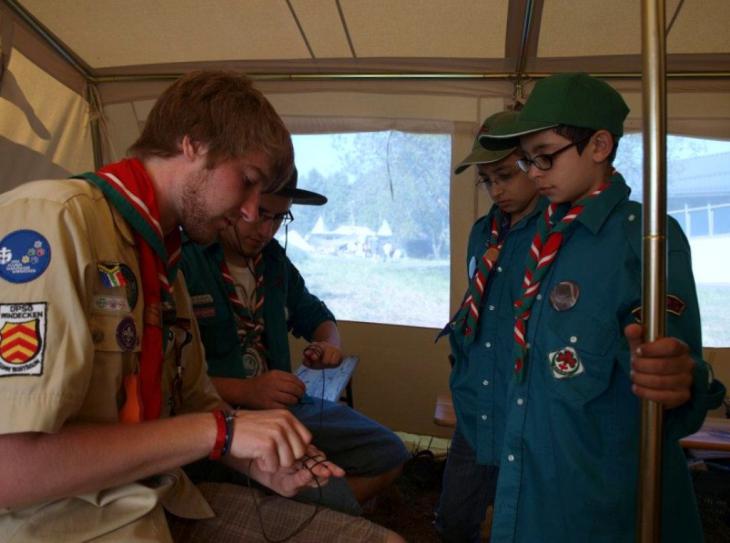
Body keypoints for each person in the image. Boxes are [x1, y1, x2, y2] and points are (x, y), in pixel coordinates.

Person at [0, 70, 402, 542]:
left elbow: (194, 402)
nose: (253, 213)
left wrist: (261, 464)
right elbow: (10, 468)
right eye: (247, 181)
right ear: (192, 145)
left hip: (164, 498)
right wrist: (220, 434)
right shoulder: (54, 222)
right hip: (73, 525)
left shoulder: (162, 258)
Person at [478, 72, 725, 542]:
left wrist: (681, 379)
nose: (533, 173)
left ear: (599, 145)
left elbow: (676, 366)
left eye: (545, 157)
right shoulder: (532, 239)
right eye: (528, 160)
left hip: (600, 502)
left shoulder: (646, 239)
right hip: (531, 485)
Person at [180, 168, 410, 515]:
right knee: (320, 494)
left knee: (391, 451)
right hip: (219, 418)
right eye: (260, 215)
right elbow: (173, 380)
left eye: (279, 217)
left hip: (285, 407)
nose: (268, 230)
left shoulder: (273, 260)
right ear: (232, 205)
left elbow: (318, 316)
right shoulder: (186, 260)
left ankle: (303, 511)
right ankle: (316, 513)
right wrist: (246, 391)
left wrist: (328, 343)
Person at [435, 111, 542, 542]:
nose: (496, 189)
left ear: (535, 163)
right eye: (486, 180)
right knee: (456, 517)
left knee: (520, 520)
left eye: (504, 175)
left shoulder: (555, 234)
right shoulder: (484, 233)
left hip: (525, 408)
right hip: (477, 405)